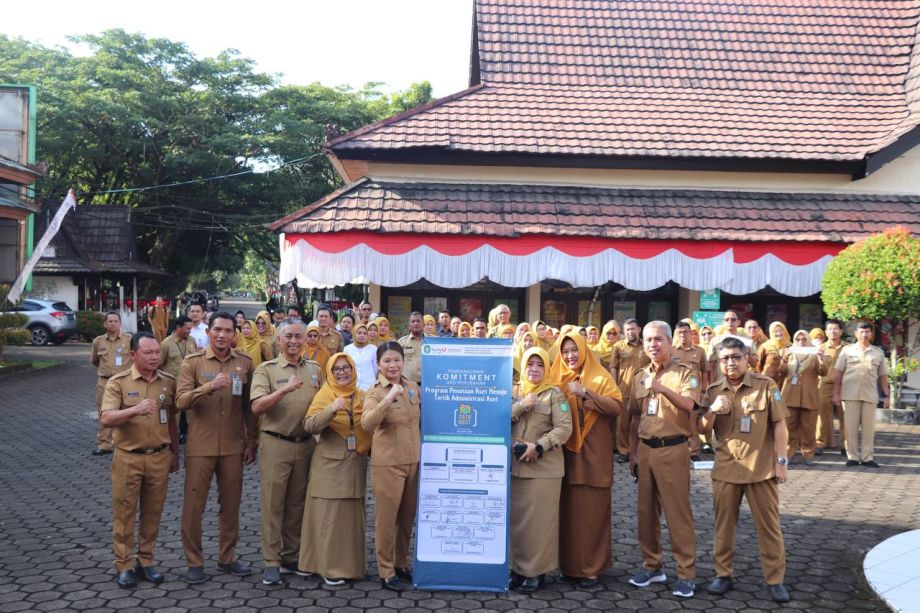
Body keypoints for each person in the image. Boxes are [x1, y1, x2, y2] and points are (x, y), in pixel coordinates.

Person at [699, 336, 791, 604]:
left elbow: (780, 425)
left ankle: (775, 579)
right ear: (718, 361)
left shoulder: (765, 385)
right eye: (725, 358)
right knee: (723, 526)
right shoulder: (713, 391)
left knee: (769, 527)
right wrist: (713, 411)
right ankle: (723, 574)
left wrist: (781, 461)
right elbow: (701, 428)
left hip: (761, 469)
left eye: (735, 357)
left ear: (747, 359)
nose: (730, 363)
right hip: (726, 468)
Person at [176, 312, 258, 583]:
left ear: (235, 334)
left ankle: (227, 557)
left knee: (231, 505)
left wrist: (251, 440)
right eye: (217, 330)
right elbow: (181, 401)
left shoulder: (245, 363)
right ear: (208, 332)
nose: (222, 335)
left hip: (234, 446)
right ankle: (194, 560)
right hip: (201, 445)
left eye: (228, 331)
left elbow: (250, 407)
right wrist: (209, 387)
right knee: (193, 506)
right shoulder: (193, 363)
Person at [100, 332, 179, 588]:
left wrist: (175, 453)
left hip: (159, 457)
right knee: (124, 514)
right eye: (148, 352)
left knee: (152, 513)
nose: (155, 357)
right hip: (128, 458)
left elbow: (174, 421)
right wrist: (135, 410)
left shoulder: (167, 382)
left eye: (157, 352)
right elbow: (107, 418)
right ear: (133, 354)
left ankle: (146, 561)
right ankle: (123, 565)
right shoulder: (118, 382)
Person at [627, 322, 700, 599]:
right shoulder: (639, 375)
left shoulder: (686, 373)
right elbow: (634, 416)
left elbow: (689, 405)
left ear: (670, 342)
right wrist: (633, 452)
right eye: (647, 340)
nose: (652, 345)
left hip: (673, 449)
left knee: (677, 514)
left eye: (658, 339)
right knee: (646, 514)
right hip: (646, 450)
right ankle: (652, 566)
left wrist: (660, 388)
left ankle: (686, 573)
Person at [250, 318, 322, 586]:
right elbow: (257, 407)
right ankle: (271, 560)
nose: (294, 341)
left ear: (305, 339)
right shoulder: (266, 370)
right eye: (288, 336)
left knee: (297, 503)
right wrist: (284, 390)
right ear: (279, 340)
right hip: (275, 443)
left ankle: (292, 556)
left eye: (298, 336)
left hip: (305, 445)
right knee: (273, 503)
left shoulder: (314, 369)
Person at [552, 331, 622, 588]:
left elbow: (616, 408)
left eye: (575, 350)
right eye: (566, 351)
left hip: (594, 456)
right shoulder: (555, 377)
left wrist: (586, 394)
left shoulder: (601, 377)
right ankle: (570, 566)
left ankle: (591, 569)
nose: (571, 356)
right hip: (567, 457)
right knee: (569, 514)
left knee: (592, 514)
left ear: (584, 350)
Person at [301, 353, 372, 585]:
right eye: (337, 369)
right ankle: (328, 569)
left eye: (346, 368)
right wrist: (331, 409)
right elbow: (309, 424)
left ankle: (349, 567)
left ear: (353, 370)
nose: (342, 372)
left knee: (349, 518)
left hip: (356, 463)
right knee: (328, 517)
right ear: (330, 372)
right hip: (330, 465)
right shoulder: (326, 394)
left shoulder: (362, 395)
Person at [509, 348, 573, 592]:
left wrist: (539, 445)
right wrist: (521, 406)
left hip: (543, 469)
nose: (534, 369)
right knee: (517, 524)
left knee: (539, 524)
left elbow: (564, 429)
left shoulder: (554, 395)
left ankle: (536, 572)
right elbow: (497, 419)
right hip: (516, 469)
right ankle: (517, 570)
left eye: (539, 365)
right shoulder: (515, 391)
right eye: (530, 364)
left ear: (547, 368)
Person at [361, 342, 421, 591]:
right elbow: (366, 423)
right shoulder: (374, 392)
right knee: (386, 519)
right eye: (387, 361)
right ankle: (386, 570)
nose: (393, 365)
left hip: (412, 462)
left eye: (396, 360)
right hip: (388, 465)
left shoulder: (412, 388)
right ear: (379, 364)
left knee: (407, 518)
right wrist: (387, 398)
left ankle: (401, 562)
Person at [833, 321, 889, 468]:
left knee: (869, 428)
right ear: (856, 334)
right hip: (850, 394)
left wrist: (887, 395)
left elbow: (883, 375)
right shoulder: (847, 350)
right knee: (850, 427)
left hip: (870, 395)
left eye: (867, 332)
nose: (864, 334)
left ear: (871, 334)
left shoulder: (878, 352)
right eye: (862, 332)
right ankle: (852, 456)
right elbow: (838, 373)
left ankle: (867, 457)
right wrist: (836, 394)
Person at [780, 330, 827, 465]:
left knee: (809, 426)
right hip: (790, 395)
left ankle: (808, 454)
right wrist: (784, 359)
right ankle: (789, 453)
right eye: (798, 339)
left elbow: (823, 372)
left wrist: (821, 360)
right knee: (789, 426)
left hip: (809, 395)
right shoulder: (790, 353)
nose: (801, 341)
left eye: (804, 339)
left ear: (808, 340)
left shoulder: (814, 354)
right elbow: (781, 372)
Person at [91, 311, 134, 456]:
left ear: (120, 324)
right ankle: (104, 445)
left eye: (116, 321)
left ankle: (127, 442)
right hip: (105, 381)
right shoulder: (98, 341)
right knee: (104, 412)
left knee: (127, 410)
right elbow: (95, 361)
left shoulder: (129, 340)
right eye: (110, 321)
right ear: (105, 324)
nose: (113, 323)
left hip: (125, 381)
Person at [609, 318, 650, 461]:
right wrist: (614, 386)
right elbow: (613, 367)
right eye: (627, 329)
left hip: (644, 389)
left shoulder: (646, 345)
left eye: (632, 329)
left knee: (643, 421)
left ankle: (640, 450)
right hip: (624, 389)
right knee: (623, 423)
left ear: (639, 329)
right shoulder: (618, 346)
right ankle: (623, 451)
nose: (630, 332)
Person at [672, 320, 710, 459]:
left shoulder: (700, 351)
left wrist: (703, 390)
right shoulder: (671, 350)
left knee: (692, 422)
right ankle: (678, 449)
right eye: (680, 332)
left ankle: (694, 451)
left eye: (685, 332)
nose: (683, 335)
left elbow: (705, 371)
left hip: (694, 393)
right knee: (676, 421)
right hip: (676, 392)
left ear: (691, 334)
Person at [816, 319, 848, 456]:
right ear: (826, 332)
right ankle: (820, 443)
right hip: (825, 385)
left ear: (841, 331)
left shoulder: (848, 348)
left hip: (844, 386)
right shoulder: (820, 349)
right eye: (830, 329)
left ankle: (846, 446)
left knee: (845, 416)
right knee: (821, 416)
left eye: (836, 329)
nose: (833, 331)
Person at [344, 323, 378, 390]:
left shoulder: (373, 349)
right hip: (352, 384)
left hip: (369, 385)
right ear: (354, 334)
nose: (362, 335)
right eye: (359, 333)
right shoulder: (347, 349)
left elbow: (375, 368)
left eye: (365, 333)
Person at [757, 322, 791, 388]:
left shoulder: (790, 346)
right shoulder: (765, 346)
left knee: (782, 398)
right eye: (775, 331)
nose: (779, 333)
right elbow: (759, 364)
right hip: (770, 383)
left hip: (785, 383)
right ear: (771, 333)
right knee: (775, 397)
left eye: (781, 330)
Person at [398, 311, 424, 384]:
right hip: (407, 385)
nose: (416, 323)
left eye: (418, 321)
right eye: (413, 321)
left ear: (423, 324)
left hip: (428, 385)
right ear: (409, 325)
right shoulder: (401, 342)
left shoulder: (431, 341)